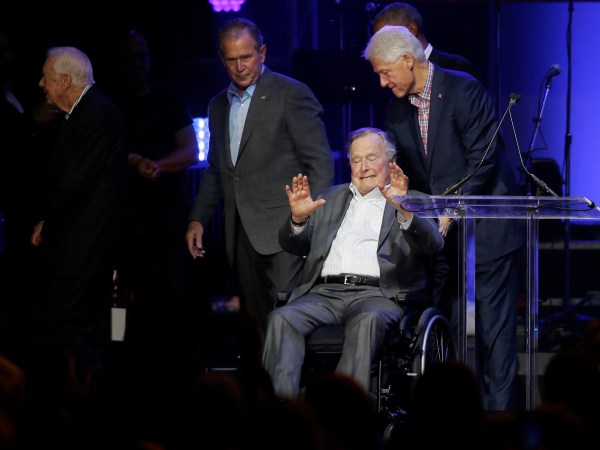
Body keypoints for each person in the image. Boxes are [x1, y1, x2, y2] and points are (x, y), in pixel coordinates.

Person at [363, 26, 525, 411]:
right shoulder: (396, 109)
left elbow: (482, 161)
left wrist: (451, 208)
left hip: (489, 233)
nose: (383, 83)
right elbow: (411, 175)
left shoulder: (463, 90)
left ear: (408, 59)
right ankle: (458, 423)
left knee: (494, 336)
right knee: (450, 333)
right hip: (442, 242)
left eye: (386, 72)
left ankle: (500, 426)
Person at [261, 127, 444, 399]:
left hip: (377, 295)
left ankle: (344, 415)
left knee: (367, 320)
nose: (363, 167)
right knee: (281, 318)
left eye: (371, 158)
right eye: (356, 160)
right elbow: (294, 245)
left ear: (390, 161)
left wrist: (404, 209)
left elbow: (433, 245)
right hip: (323, 294)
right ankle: (282, 413)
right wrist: (298, 221)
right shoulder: (330, 198)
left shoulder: (415, 200)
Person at [186, 18, 335, 337]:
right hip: (239, 233)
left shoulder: (291, 94)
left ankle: (296, 387)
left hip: (285, 232)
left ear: (262, 53)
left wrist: (314, 227)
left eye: (246, 57)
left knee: (290, 321)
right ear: (221, 58)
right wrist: (198, 219)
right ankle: (267, 386)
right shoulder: (217, 106)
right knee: (258, 326)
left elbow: (319, 161)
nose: (239, 66)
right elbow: (217, 170)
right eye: (231, 59)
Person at [30, 46, 128, 383]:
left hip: (86, 247)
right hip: (83, 245)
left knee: (68, 324)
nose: (41, 84)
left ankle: (90, 395)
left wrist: (48, 224)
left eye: (45, 77)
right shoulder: (86, 113)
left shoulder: (96, 114)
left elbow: (75, 183)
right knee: (78, 325)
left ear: (64, 80)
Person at [107, 29, 203, 345]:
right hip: (126, 216)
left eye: (141, 56)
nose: (136, 64)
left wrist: (157, 166)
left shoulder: (169, 96)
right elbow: (101, 154)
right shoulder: (109, 102)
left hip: (170, 214)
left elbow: (191, 151)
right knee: (122, 293)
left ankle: (175, 358)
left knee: (173, 292)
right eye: (129, 57)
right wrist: (131, 161)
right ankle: (120, 354)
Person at [372, 2, 482, 81]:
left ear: (411, 30)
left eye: (386, 39)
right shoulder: (391, 80)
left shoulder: (456, 67)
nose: (382, 49)